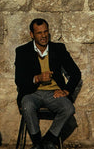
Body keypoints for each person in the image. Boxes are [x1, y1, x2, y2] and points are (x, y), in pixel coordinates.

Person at [14, 18, 81, 149]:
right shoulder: (22, 51)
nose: (43, 36)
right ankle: (37, 142)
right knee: (27, 105)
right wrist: (37, 78)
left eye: (46, 32)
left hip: (54, 93)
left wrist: (66, 90)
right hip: (32, 93)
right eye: (39, 33)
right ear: (32, 34)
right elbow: (19, 80)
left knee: (68, 109)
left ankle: (47, 141)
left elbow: (76, 73)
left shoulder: (58, 49)